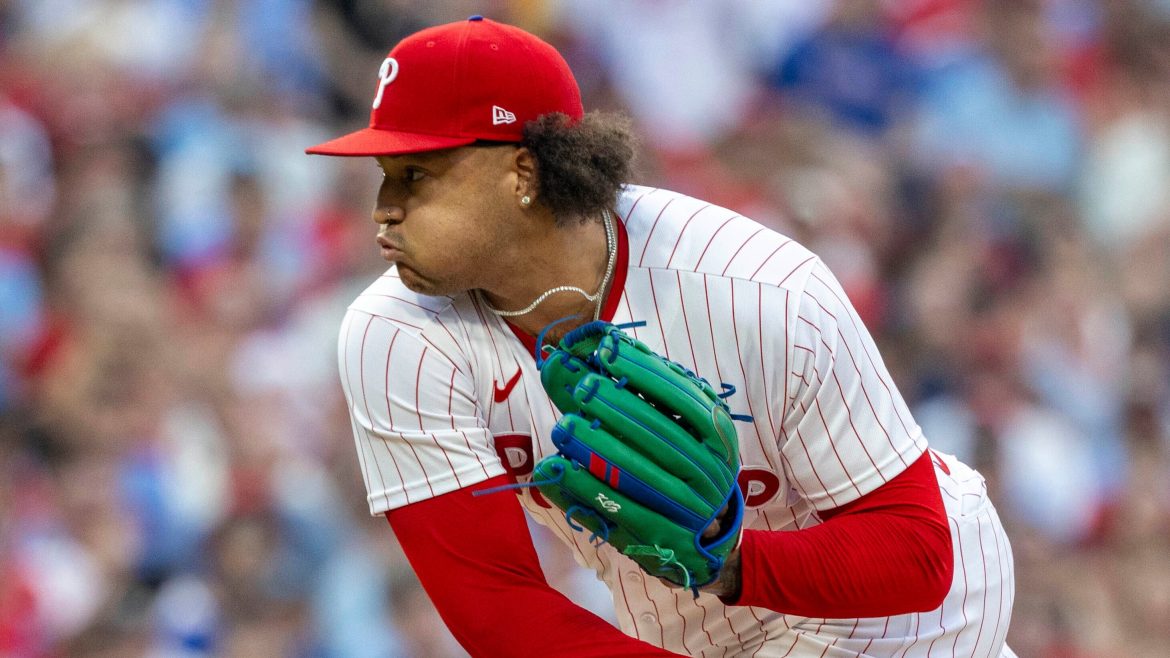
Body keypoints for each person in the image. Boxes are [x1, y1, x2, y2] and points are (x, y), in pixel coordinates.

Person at [307, 16, 1016, 657]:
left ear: (521, 171)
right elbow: (499, 612)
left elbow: (917, 556)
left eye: (416, 175)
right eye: (384, 175)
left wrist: (733, 562)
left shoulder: (758, 288)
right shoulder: (394, 337)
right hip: (688, 632)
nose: (384, 210)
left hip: (902, 616)